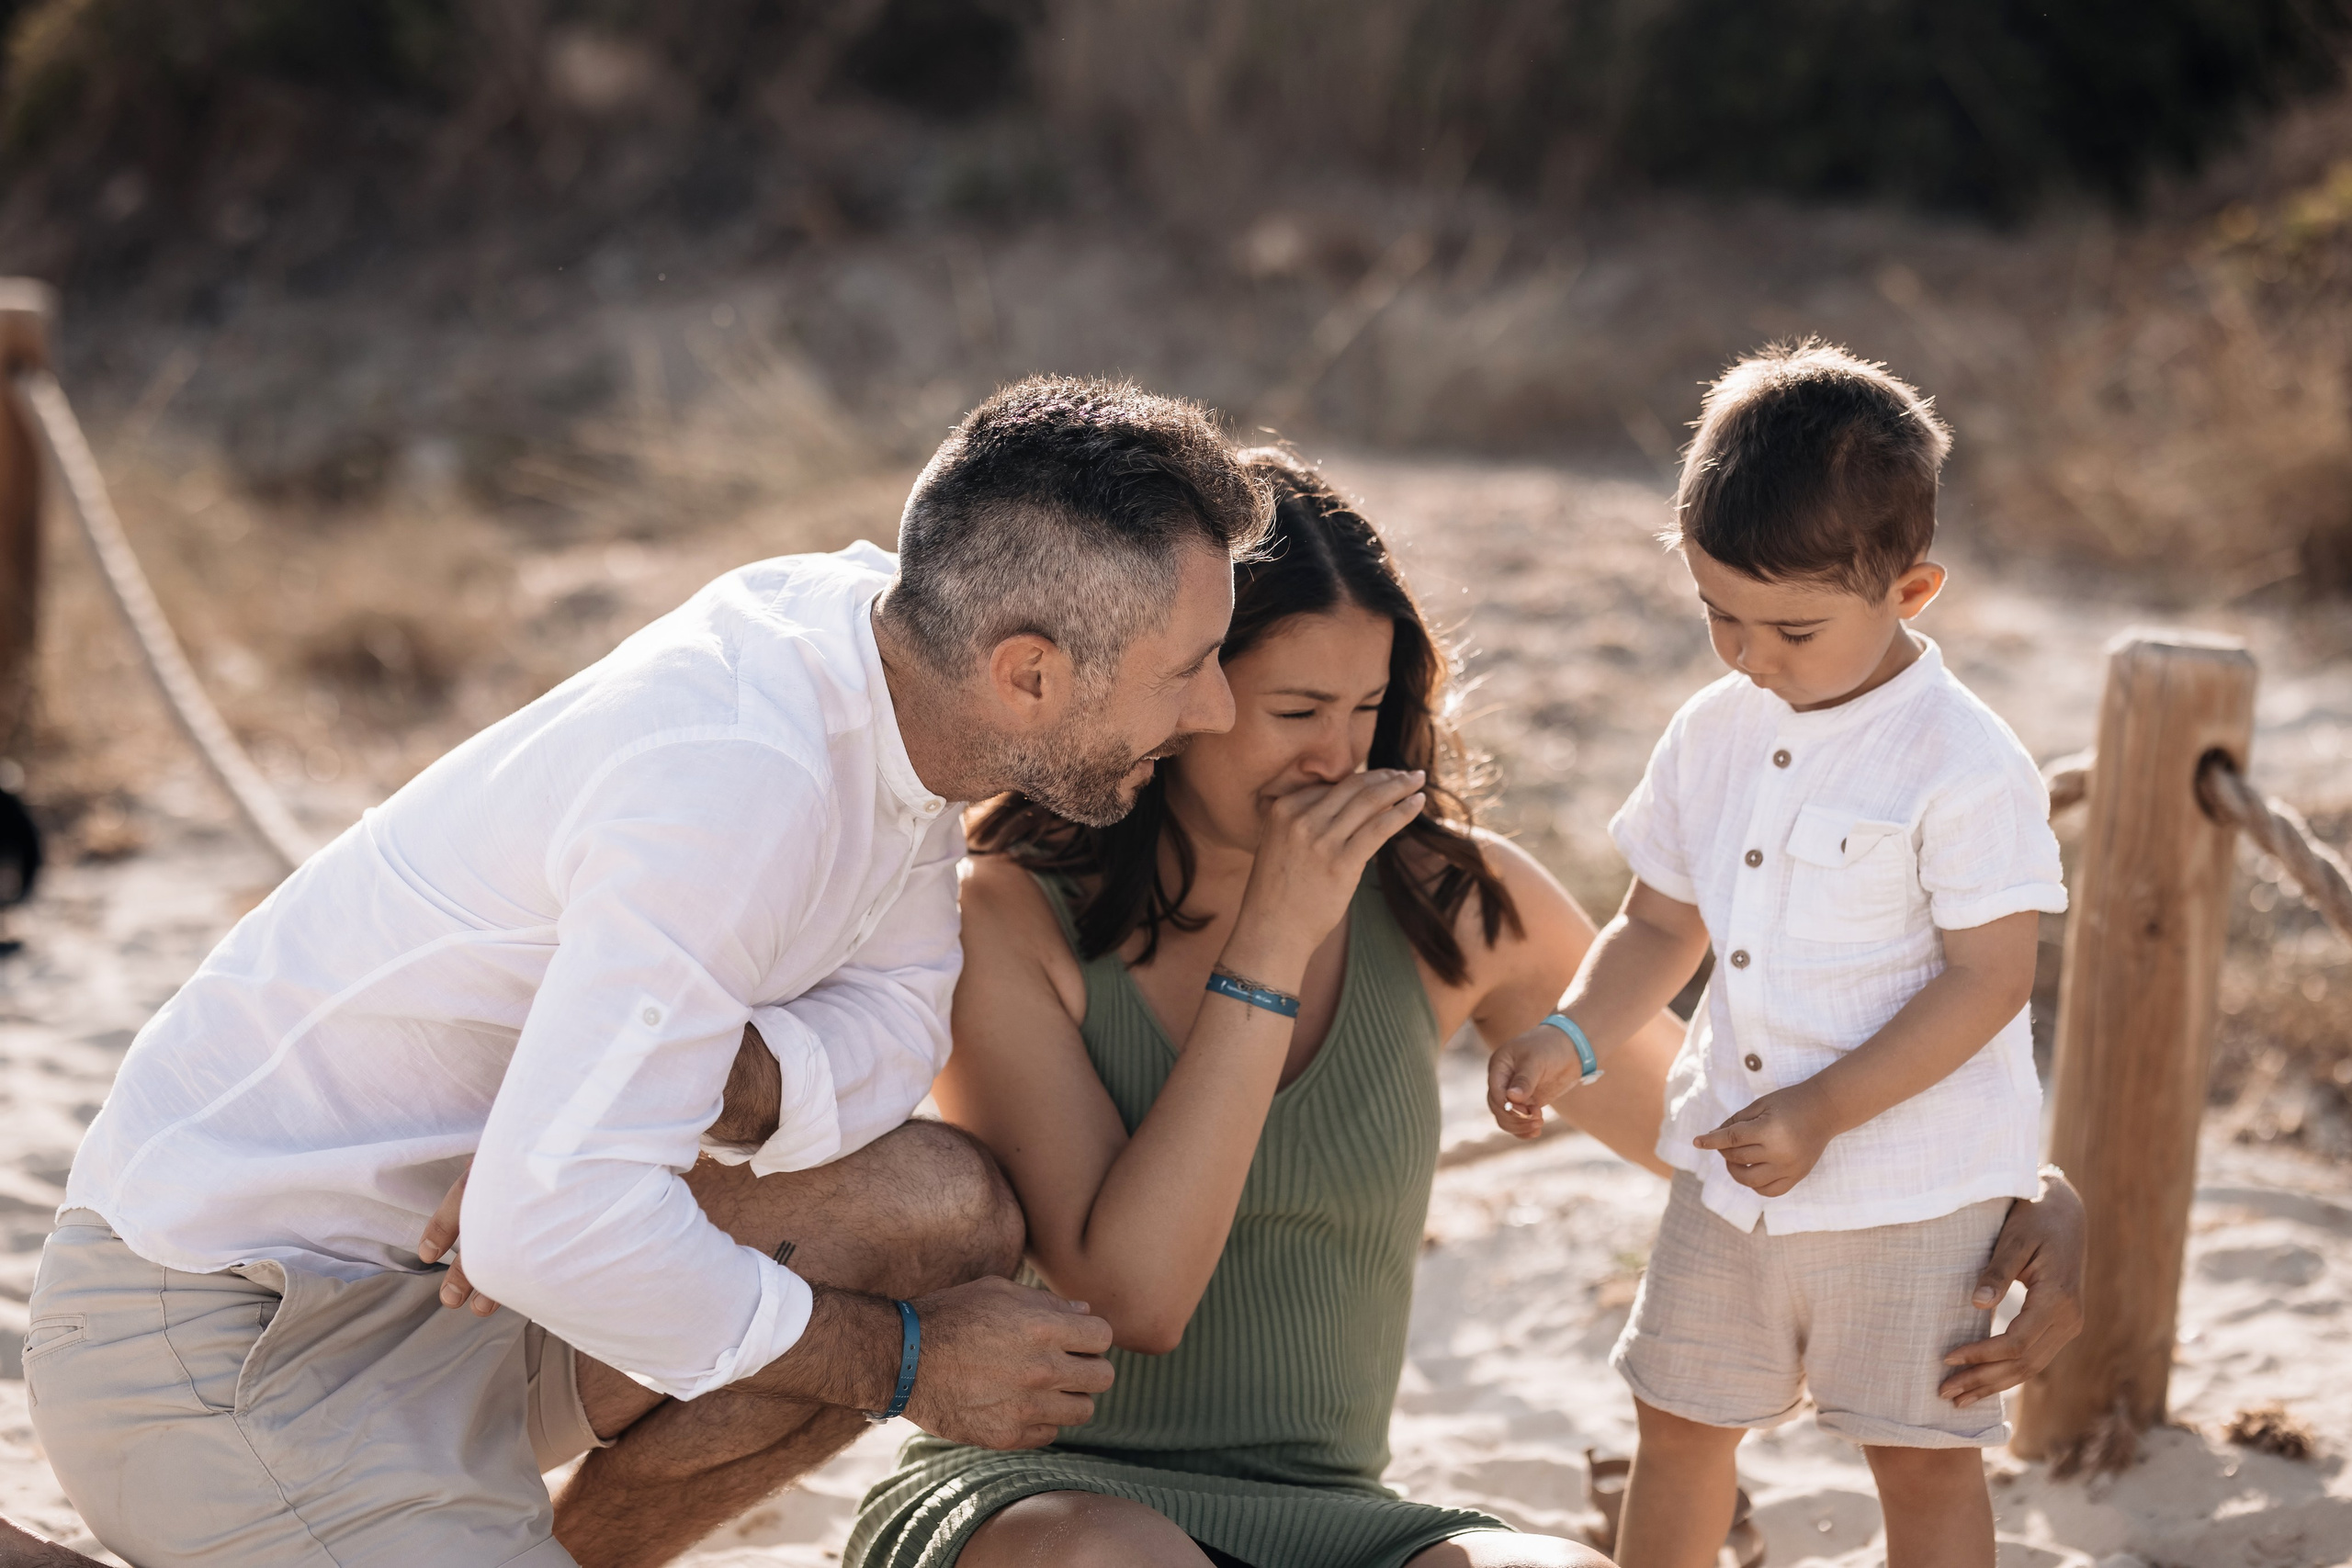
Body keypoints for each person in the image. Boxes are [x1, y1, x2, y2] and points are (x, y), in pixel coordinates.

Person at [22, 376, 1267, 1568]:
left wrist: (708, 1086)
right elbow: (544, 1226)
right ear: (1029, 673)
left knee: (937, 1211)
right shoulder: (734, 773)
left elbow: (896, 1023)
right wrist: (900, 1365)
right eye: (1188, 668)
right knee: (624, 1224)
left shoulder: (897, 679)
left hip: (452, 1294)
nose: (1215, 711)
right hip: (218, 1338)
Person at [848, 448, 2085, 1568]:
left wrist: (2012, 1188)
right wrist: (1272, 942)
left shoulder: (1444, 898)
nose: (1340, 759)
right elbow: (1136, 1300)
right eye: (1292, 714)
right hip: (1046, 1507)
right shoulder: (1007, 916)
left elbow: (1721, 1132)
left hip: (1341, 1517)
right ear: (1180, 698)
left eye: (1367, 711)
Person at [1489, 343, 2068, 1568]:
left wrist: (1824, 1108)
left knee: (1918, 1455)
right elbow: (1660, 923)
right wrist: (1577, 1030)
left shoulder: (1964, 765)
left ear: (1911, 592)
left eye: (1792, 628)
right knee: (1677, 1418)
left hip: (1915, 1188)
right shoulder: (1715, 730)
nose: (1751, 656)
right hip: (1730, 1173)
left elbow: (1991, 979)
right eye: (1720, 618)